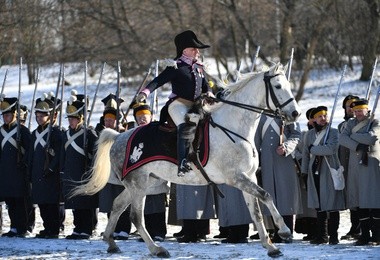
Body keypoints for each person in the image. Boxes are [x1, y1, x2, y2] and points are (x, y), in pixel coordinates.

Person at [136, 29, 214, 177]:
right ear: (185, 51)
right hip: (178, 104)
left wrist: (209, 92)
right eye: (194, 49)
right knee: (185, 124)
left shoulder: (199, 67)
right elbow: (158, 81)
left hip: (196, 105)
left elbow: (205, 85)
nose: (197, 51)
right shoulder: (175, 66)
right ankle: (182, 162)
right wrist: (145, 92)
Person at [254, 114, 302, 243]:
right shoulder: (259, 115)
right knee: (271, 195)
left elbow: (296, 134)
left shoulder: (287, 114)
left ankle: (287, 232)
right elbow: (256, 139)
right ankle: (276, 231)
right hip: (266, 159)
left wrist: (286, 147)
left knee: (286, 195)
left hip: (284, 158)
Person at [301, 106, 345, 245]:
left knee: (332, 205)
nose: (323, 118)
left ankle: (333, 236)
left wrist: (314, 149)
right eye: (319, 116)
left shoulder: (333, 132)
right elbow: (306, 155)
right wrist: (304, 172)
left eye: (325, 116)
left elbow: (331, 149)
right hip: (314, 171)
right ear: (314, 119)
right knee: (319, 206)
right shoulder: (309, 135)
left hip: (329, 170)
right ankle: (321, 235)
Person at [339, 98, 380, 246]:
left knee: (373, 200)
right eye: (355, 111)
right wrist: (357, 146)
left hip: (371, 165)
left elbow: (372, 138)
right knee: (359, 201)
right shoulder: (350, 123)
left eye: (360, 111)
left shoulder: (375, 121)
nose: (357, 114)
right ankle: (364, 235)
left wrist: (353, 137)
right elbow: (342, 138)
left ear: (366, 110)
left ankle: (376, 235)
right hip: (355, 165)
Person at [60, 90, 98, 239]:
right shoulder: (66, 134)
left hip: (84, 173)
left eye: (74, 118)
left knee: (85, 203)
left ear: (81, 118)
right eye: (69, 118)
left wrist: (90, 168)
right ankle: (78, 228)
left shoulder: (89, 134)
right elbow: (64, 154)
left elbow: (95, 155)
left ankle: (86, 229)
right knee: (75, 203)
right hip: (71, 173)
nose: (71, 121)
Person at [132, 101, 169, 242]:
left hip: (158, 173)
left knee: (157, 205)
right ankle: (147, 232)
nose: (142, 118)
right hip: (141, 176)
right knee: (145, 207)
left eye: (145, 116)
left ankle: (159, 232)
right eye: (139, 116)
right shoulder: (135, 134)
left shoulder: (159, 131)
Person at [28, 93, 63, 239]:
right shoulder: (35, 133)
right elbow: (31, 154)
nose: (39, 118)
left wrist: (51, 167)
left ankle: (54, 229)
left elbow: (60, 154)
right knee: (42, 203)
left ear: (50, 116)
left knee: (51, 204)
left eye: (42, 115)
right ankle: (46, 227)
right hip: (37, 173)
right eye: (38, 115)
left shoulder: (55, 133)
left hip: (50, 174)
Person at [97, 93, 131, 240]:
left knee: (122, 202)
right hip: (106, 172)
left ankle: (124, 229)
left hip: (121, 173)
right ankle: (113, 228)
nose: (109, 123)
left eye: (111, 120)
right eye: (106, 120)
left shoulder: (125, 134)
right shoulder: (103, 134)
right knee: (109, 202)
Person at [0, 96, 32, 237]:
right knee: (10, 201)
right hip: (5, 172)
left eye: (8, 115)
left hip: (19, 172)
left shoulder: (22, 131)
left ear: (14, 115)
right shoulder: (0, 131)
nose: (5, 118)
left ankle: (22, 227)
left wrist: (24, 162)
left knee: (20, 202)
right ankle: (13, 226)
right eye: (4, 115)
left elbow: (30, 151)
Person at [294, 108, 318, 241]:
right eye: (312, 117)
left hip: (319, 169)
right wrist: (303, 157)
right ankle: (309, 230)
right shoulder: (302, 135)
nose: (315, 120)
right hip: (304, 170)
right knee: (306, 202)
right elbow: (296, 151)